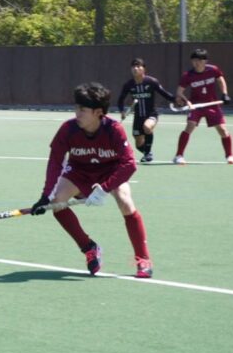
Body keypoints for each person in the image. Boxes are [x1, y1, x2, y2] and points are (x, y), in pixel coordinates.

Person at [31, 82, 153, 279]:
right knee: (57, 203)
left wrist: (104, 189)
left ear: (98, 112)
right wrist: (45, 196)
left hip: (110, 171)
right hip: (79, 171)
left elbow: (129, 164)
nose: (77, 113)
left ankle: (143, 259)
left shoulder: (114, 130)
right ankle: (89, 247)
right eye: (76, 108)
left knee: (126, 202)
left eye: (82, 109)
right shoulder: (68, 129)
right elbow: (55, 162)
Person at [172, 48, 233, 165]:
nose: (196, 63)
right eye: (194, 60)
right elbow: (179, 92)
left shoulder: (213, 70)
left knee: (222, 130)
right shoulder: (188, 75)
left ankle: (230, 155)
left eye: (199, 60)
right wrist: (187, 102)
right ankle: (178, 156)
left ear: (205, 61)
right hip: (196, 106)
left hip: (212, 104)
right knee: (189, 126)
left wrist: (225, 94)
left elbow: (220, 80)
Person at [116, 58, 174, 163]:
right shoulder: (128, 85)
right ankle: (147, 152)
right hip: (138, 117)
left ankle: (147, 153)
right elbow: (120, 100)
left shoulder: (151, 82)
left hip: (151, 114)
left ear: (144, 69)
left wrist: (176, 100)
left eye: (138, 66)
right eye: (133, 66)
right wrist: (122, 111)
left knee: (147, 127)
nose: (135, 68)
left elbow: (165, 94)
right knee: (138, 144)